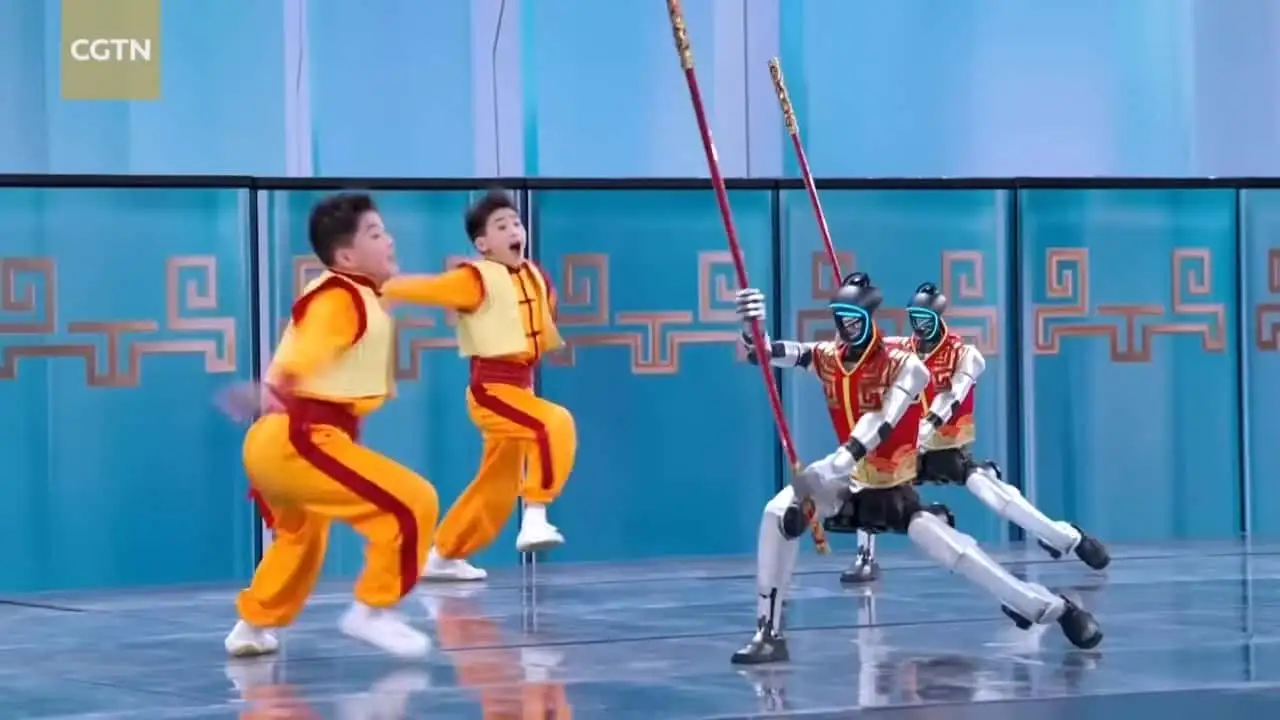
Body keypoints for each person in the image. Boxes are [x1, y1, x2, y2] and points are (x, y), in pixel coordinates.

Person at [729, 273, 1102, 665]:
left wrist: (842, 459)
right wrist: (753, 328)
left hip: (898, 482)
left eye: (854, 317)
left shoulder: (905, 363)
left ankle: (1051, 606)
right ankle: (768, 632)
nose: (846, 325)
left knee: (964, 554)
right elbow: (768, 354)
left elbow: (882, 419)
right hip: (851, 483)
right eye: (840, 316)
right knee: (779, 513)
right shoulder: (828, 356)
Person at [221, 193, 440, 659]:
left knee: (301, 538)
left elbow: (405, 288)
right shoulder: (340, 298)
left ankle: (251, 626)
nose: (389, 240)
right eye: (375, 234)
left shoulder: (360, 293)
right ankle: (372, 611)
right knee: (411, 503)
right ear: (346, 257)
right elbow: (310, 348)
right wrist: (276, 384)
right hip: (299, 436)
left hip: (280, 439)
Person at [838, 282, 1110, 584]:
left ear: (938, 317)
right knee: (865, 480)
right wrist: (857, 320)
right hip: (909, 451)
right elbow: (867, 347)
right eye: (915, 317)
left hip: (945, 448)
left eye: (925, 317)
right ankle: (865, 558)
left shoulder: (965, 354)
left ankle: (1064, 536)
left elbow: (954, 394)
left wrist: (930, 423)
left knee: (991, 491)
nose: (919, 324)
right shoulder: (902, 349)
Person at [380, 189, 576, 582]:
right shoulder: (475, 280)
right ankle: (536, 514)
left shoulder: (535, 276)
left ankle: (444, 554)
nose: (514, 230)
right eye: (501, 226)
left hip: (521, 389)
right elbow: (429, 288)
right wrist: (380, 288)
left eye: (516, 223)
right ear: (483, 243)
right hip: (492, 391)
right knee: (554, 424)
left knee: (496, 488)